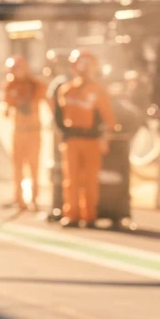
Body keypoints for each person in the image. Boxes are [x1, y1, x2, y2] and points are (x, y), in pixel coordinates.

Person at [54, 49, 118, 227]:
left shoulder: (98, 90)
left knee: (90, 180)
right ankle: (71, 214)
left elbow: (108, 118)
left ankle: (89, 216)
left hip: (92, 140)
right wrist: (62, 136)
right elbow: (58, 117)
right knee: (71, 179)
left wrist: (105, 138)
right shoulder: (66, 90)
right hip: (72, 140)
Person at [3, 55, 48, 210]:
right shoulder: (10, 86)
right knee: (17, 167)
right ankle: (18, 198)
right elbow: (6, 109)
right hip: (18, 132)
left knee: (33, 166)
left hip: (33, 131)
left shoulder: (36, 85)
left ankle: (34, 199)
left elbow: (46, 99)